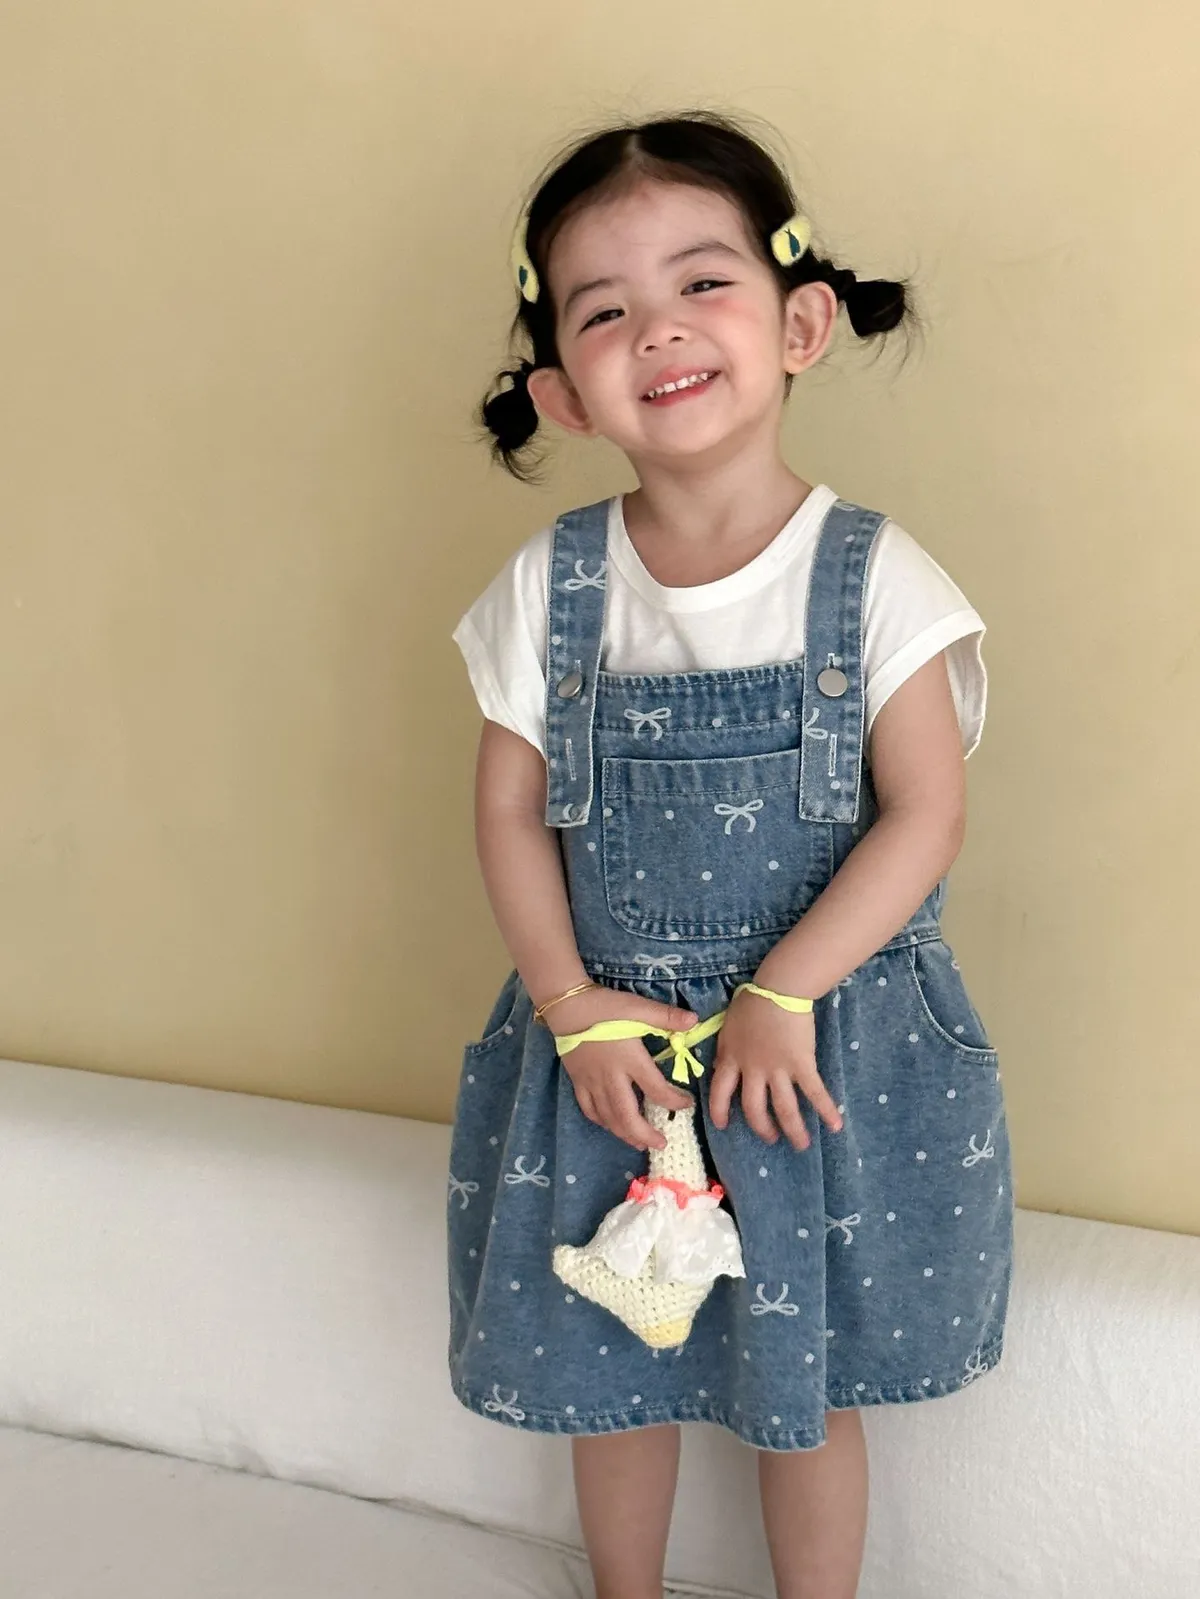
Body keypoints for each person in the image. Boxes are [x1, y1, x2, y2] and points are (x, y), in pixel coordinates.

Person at [448, 110, 1013, 1599]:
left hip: (809, 1058)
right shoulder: (549, 587)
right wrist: (570, 1008)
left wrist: (782, 991)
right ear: (563, 392)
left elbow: (926, 813)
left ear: (799, 322)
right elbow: (506, 813)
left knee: (803, 1379)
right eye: (604, 310)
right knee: (612, 1367)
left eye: (703, 282)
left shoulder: (878, 577)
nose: (660, 328)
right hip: (612, 1059)